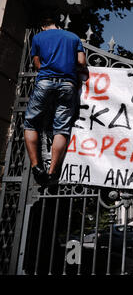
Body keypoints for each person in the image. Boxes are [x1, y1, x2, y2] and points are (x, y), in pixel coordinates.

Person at [23, 11, 87, 192]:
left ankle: (36, 167)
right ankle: (52, 173)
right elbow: (82, 62)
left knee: (31, 123)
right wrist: (67, 66)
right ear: (58, 24)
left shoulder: (39, 37)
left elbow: (37, 64)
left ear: (43, 25)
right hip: (68, 84)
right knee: (61, 128)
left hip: (45, 82)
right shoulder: (73, 37)